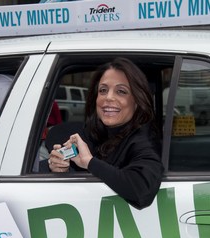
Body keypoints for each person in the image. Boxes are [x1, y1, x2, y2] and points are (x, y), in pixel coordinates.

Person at [47, 58, 163, 209]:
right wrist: (60, 167)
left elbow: (141, 191)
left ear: (137, 100)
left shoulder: (144, 140)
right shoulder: (95, 132)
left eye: (121, 91)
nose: (108, 97)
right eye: (103, 90)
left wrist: (89, 162)